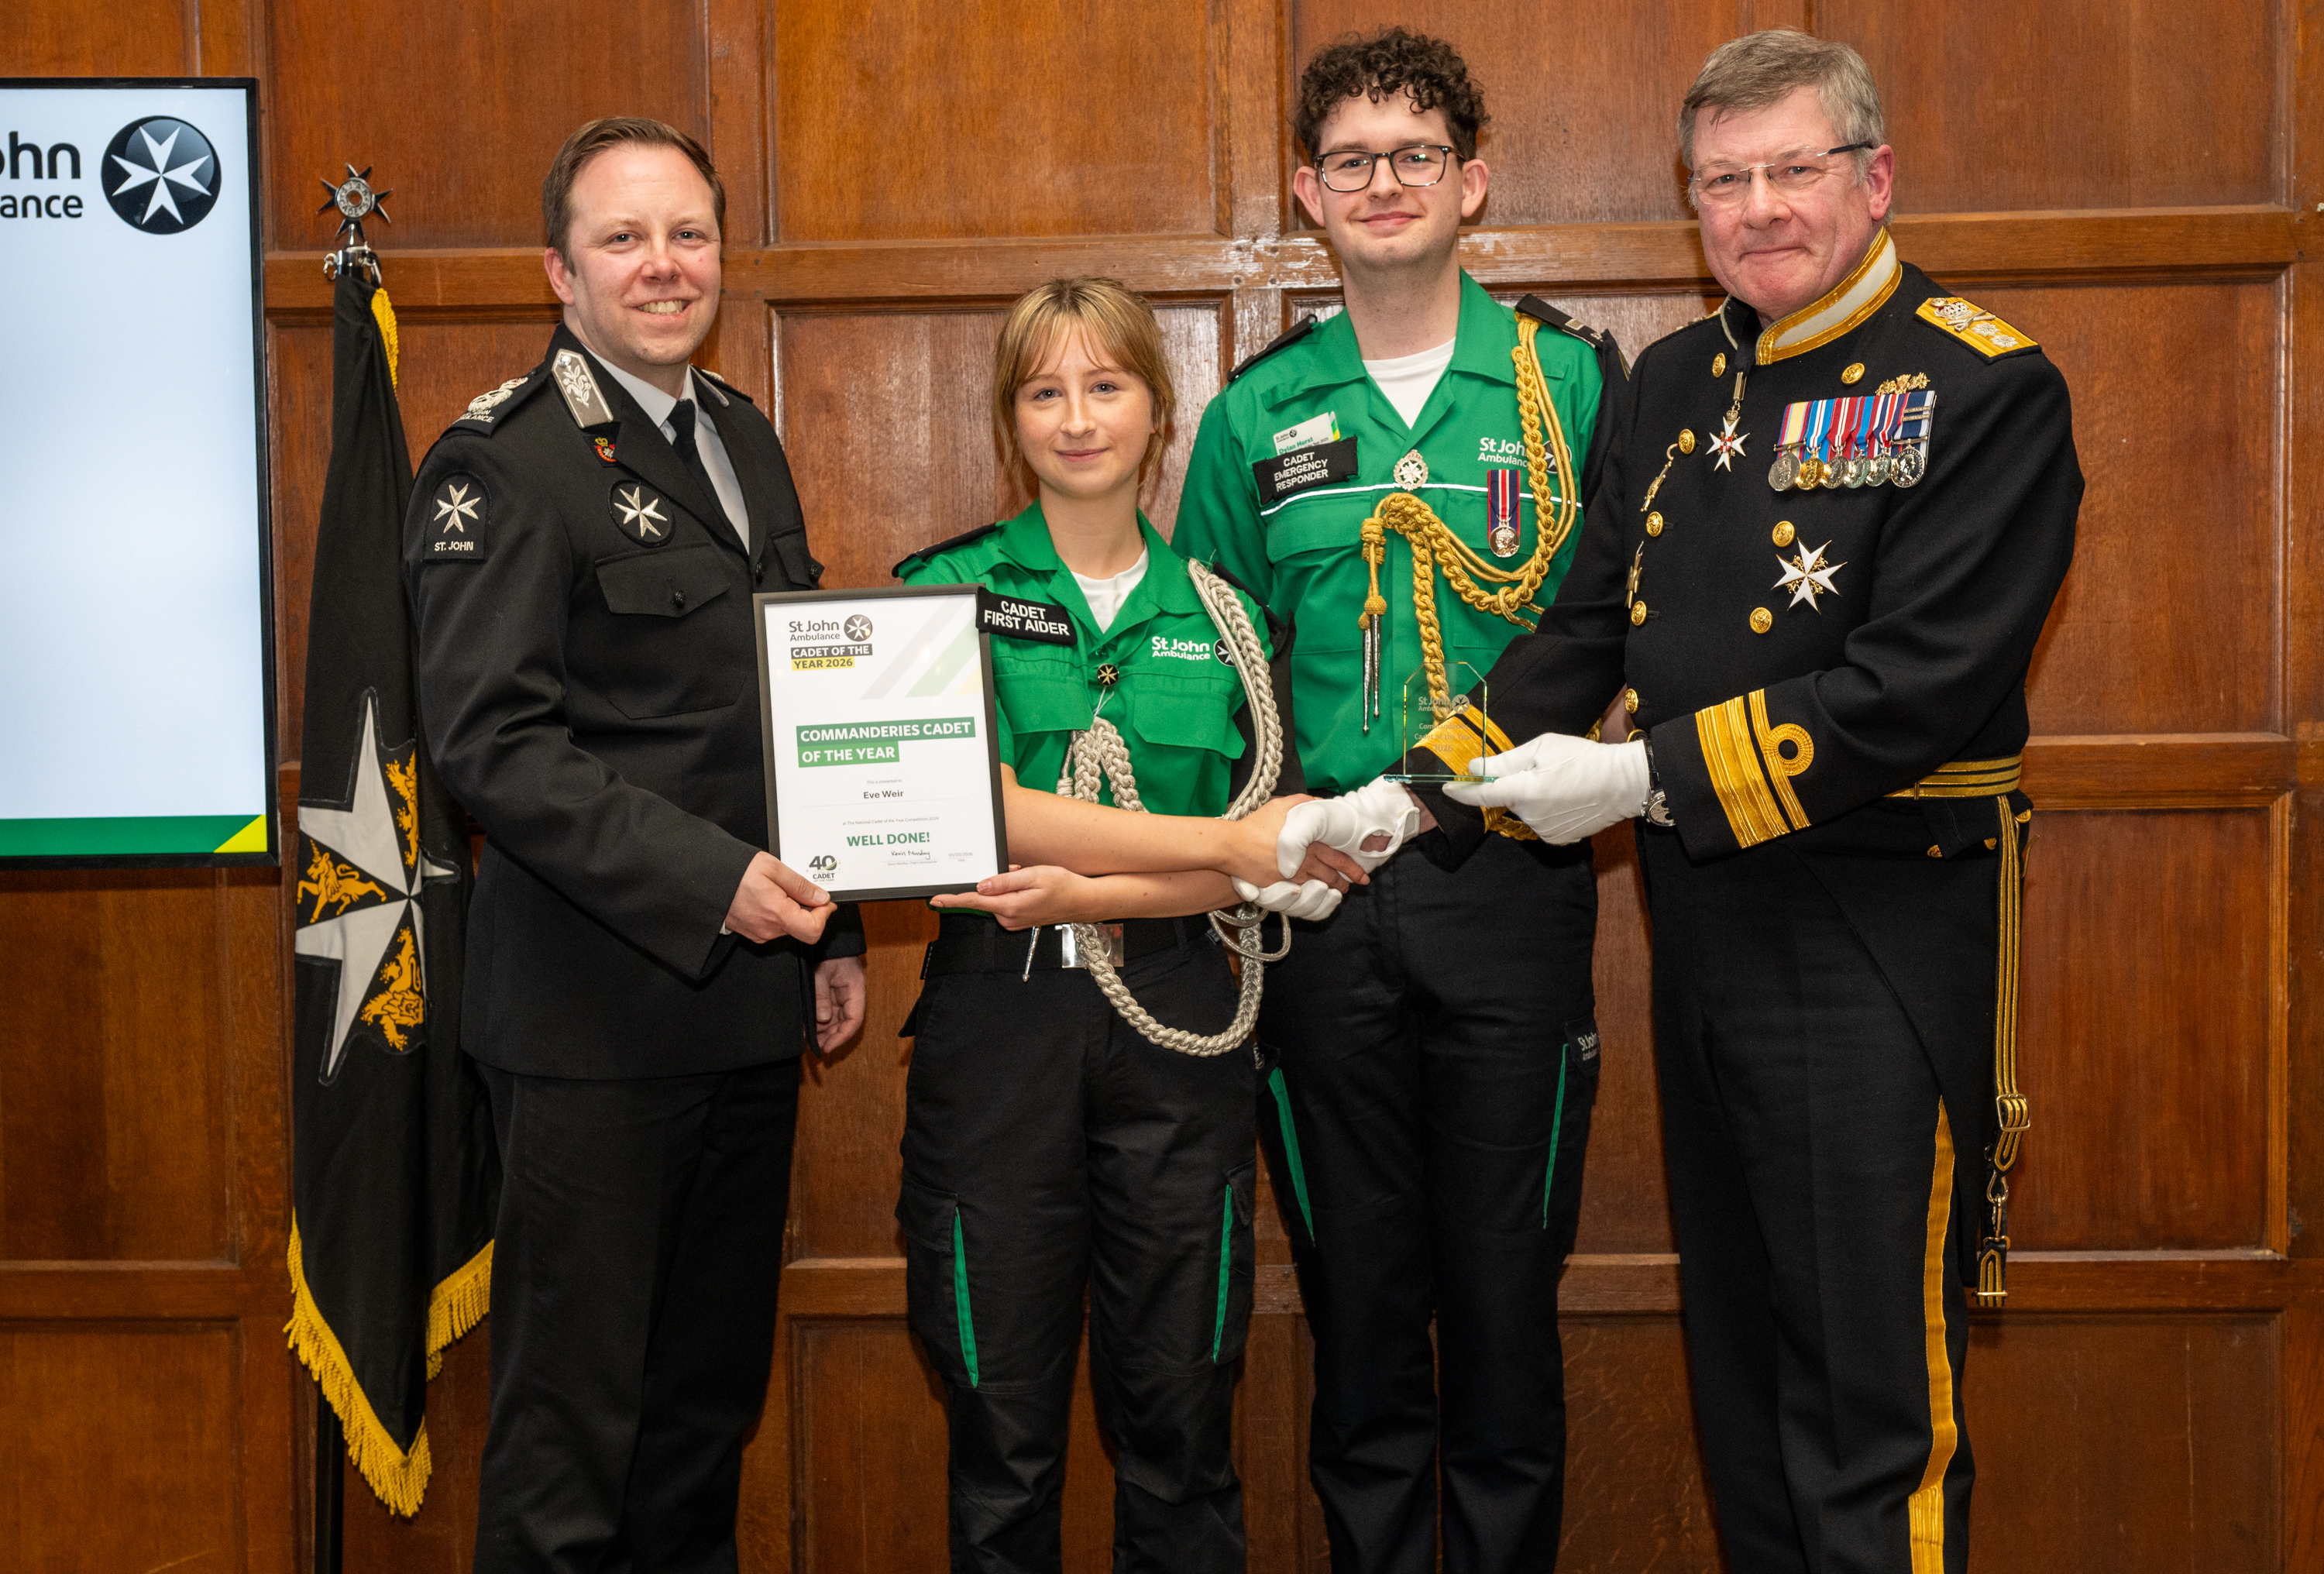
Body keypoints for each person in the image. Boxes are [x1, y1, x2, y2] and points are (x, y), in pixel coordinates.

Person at [1339, 31, 2082, 1574]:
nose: (1757, 209)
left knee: (1870, 1413)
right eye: (1723, 181)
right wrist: (1406, 801)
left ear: (1875, 179)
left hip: (1879, 942)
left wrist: (1642, 776)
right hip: (1707, 940)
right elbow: (1579, 630)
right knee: (1744, 1388)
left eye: (1793, 170)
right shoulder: (1678, 378)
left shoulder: (1984, 385)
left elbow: (1911, 690)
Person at [1171, 29, 1625, 1574]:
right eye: (1352, 159)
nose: (1384, 183)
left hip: (1512, 886)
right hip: (1327, 900)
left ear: (1471, 181)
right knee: (1359, 1313)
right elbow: (1215, 665)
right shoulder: (1255, 414)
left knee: (1504, 1310)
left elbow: (1607, 621)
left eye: (1415, 154)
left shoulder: (1569, 380)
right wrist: (1245, 847)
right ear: (1308, 193)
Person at [402, 116, 866, 1573]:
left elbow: (785, 707)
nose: (664, 266)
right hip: (591, 1027)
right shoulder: (502, 464)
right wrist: (714, 883)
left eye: (688, 235)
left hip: (747, 1009)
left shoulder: (739, 434)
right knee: (573, 1441)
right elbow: (493, 746)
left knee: (701, 1421)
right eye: (623, 239)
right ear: (561, 271)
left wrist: (836, 927)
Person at [894, 277, 1309, 1574]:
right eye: (1045, 392)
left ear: (1159, 409)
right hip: (999, 1017)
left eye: (1107, 385)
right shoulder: (939, 596)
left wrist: (1111, 891)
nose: (1078, 419)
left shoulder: (1229, 617)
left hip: (1183, 1014)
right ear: (1010, 420)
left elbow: (1263, 850)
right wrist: (1222, 849)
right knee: (1001, 1429)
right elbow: (978, 807)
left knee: (1182, 1418)